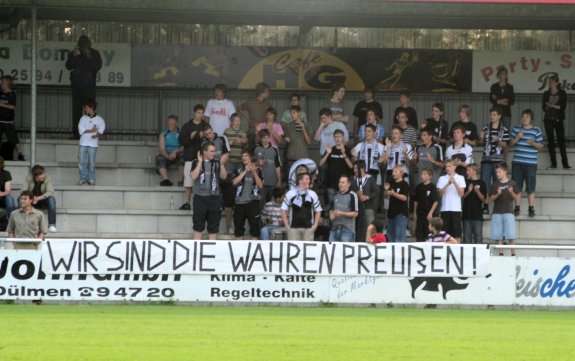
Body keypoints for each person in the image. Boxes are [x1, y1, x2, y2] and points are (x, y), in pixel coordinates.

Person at [65, 35, 102, 138]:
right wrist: (73, 56)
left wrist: (89, 56)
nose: (83, 48)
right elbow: (68, 66)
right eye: (81, 46)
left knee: (89, 110)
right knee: (76, 110)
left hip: (89, 87)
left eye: (84, 46)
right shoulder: (76, 53)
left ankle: (91, 132)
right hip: (77, 86)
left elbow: (97, 67)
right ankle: (76, 133)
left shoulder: (94, 53)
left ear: (89, 45)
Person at [510, 109, 544, 217]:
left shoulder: (536, 130)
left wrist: (533, 143)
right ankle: (517, 207)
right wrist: (517, 138)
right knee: (517, 186)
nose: (524, 119)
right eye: (523, 116)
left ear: (531, 119)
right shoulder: (516, 129)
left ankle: (531, 208)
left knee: (530, 186)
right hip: (517, 162)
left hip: (531, 163)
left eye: (527, 117)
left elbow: (541, 146)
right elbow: (510, 143)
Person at [190, 142, 228, 240]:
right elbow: (193, 176)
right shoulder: (195, 162)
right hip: (200, 198)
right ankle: (197, 252)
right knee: (198, 227)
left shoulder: (216, 162)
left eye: (214, 151)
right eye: (211, 151)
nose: (214, 153)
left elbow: (223, 176)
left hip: (214, 198)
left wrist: (222, 164)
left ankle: (212, 251)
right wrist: (199, 163)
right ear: (204, 152)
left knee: (213, 228)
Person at [201, 124, 232, 233]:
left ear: (212, 130)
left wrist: (220, 163)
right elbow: (204, 158)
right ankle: (214, 228)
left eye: (209, 133)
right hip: (212, 175)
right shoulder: (204, 143)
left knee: (228, 203)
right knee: (215, 202)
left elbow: (227, 154)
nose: (208, 136)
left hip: (225, 172)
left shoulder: (223, 138)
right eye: (206, 134)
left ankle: (229, 227)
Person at [479, 107, 509, 214]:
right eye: (491, 114)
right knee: (485, 184)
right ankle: (485, 205)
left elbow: (505, 145)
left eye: (494, 114)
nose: (492, 117)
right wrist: (481, 137)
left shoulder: (504, 129)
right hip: (486, 160)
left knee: (498, 184)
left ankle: (499, 206)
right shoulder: (486, 128)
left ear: (499, 116)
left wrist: (498, 141)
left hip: (498, 161)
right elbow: (482, 143)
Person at [178, 104, 206, 210]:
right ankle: (187, 203)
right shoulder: (187, 126)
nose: (200, 115)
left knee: (201, 181)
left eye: (202, 113)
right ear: (194, 113)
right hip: (189, 156)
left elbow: (210, 137)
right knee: (188, 182)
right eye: (199, 113)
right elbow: (181, 140)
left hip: (202, 157)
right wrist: (191, 136)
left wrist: (204, 135)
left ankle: (199, 204)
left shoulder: (205, 125)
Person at [232, 149, 264, 240]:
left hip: (253, 202)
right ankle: (239, 252)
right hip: (239, 203)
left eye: (246, 156)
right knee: (238, 230)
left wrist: (254, 172)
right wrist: (245, 171)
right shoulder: (238, 168)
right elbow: (234, 182)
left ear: (250, 158)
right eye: (242, 156)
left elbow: (260, 186)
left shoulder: (257, 169)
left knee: (255, 230)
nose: (243, 158)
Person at [281, 172, 323, 241]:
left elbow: (318, 210)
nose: (309, 181)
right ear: (300, 180)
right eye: (307, 179)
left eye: (309, 179)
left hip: (308, 229)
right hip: (293, 229)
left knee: (308, 251)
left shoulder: (313, 194)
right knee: (293, 251)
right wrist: (287, 226)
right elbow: (283, 209)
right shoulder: (290, 193)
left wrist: (315, 226)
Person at [490, 162, 520, 256]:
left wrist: (512, 193)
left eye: (499, 172)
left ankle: (513, 254)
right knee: (499, 236)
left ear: (505, 172)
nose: (497, 174)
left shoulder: (512, 183)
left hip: (508, 211)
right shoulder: (495, 184)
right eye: (496, 172)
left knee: (511, 235)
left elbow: (517, 198)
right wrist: (498, 194)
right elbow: (491, 199)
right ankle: (501, 254)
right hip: (497, 212)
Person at [542, 74, 570, 169]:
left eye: (552, 82)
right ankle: (553, 164)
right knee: (551, 141)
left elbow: (562, 107)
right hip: (548, 119)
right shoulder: (546, 93)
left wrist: (551, 106)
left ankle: (565, 163)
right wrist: (551, 106)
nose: (550, 83)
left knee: (561, 140)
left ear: (557, 83)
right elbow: (544, 107)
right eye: (550, 82)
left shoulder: (562, 93)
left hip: (558, 119)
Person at [319, 129, 353, 207]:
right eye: (336, 137)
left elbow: (351, 166)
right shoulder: (331, 149)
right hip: (331, 183)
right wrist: (327, 154)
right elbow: (320, 164)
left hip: (344, 184)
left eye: (339, 136)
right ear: (334, 138)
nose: (338, 138)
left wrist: (344, 153)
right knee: (333, 206)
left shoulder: (347, 150)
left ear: (343, 137)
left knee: (344, 206)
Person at [77, 98, 105, 186]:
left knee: (91, 162)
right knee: (82, 161)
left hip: (93, 144)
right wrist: (92, 130)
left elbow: (101, 131)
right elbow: (81, 130)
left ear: (91, 108)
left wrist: (96, 135)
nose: (85, 109)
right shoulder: (83, 118)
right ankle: (83, 178)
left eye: (86, 107)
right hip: (83, 143)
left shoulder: (100, 119)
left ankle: (91, 178)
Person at [437, 159, 466, 243]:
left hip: (456, 209)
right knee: (445, 234)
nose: (447, 168)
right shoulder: (442, 178)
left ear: (455, 167)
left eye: (449, 166)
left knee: (457, 233)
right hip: (445, 209)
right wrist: (447, 184)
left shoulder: (460, 178)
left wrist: (455, 183)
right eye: (446, 166)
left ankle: (457, 252)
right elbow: (439, 193)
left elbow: (461, 193)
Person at [254, 129, 282, 208]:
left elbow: (277, 165)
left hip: (272, 181)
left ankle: (270, 219)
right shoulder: (256, 148)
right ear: (260, 138)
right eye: (263, 138)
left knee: (271, 203)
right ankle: (261, 220)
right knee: (260, 203)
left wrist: (279, 180)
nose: (266, 140)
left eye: (267, 137)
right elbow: (251, 163)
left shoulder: (274, 149)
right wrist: (257, 163)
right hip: (260, 182)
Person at [24, 164, 57, 232]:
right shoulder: (29, 178)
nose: (43, 176)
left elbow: (50, 191)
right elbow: (23, 190)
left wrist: (38, 198)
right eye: (41, 175)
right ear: (36, 176)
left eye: (43, 174)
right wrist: (32, 198)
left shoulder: (47, 178)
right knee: (21, 199)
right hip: (31, 201)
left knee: (51, 199)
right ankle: (23, 224)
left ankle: (51, 225)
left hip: (42, 200)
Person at [351, 161, 378, 242]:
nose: (355, 170)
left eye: (357, 168)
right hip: (356, 208)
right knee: (356, 227)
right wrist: (356, 194)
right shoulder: (352, 179)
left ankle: (370, 243)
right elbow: (349, 192)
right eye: (354, 168)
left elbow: (376, 191)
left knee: (369, 226)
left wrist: (367, 197)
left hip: (368, 207)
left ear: (363, 168)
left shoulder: (370, 178)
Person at [283, 105, 313, 178]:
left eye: (294, 113)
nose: (292, 115)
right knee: (291, 180)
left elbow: (309, 142)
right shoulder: (288, 125)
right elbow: (283, 136)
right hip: (291, 157)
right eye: (291, 113)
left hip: (303, 157)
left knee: (302, 179)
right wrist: (284, 137)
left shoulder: (307, 125)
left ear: (299, 113)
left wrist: (303, 128)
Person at [239, 82, 271, 146]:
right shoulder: (250, 102)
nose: (269, 94)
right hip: (252, 132)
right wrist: (248, 120)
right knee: (252, 151)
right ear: (262, 92)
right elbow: (240, 108)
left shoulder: (268, 104)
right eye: (267, 92)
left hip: (264, 134)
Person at [0, 75, 24, 160]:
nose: (1, 84)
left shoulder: (12, 94)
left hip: (8, 121)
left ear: (6, 84)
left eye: (2, 82)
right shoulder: (1, 93)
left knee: (13, 138)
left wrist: (2, 105)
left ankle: (20, 154)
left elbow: (13, 107)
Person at [329, 175, 359, 242]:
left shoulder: (352, 195)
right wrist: (331, 215)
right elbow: (331, 209)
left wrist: (341, 213)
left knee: (345, 252)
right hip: (334, 228)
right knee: (331, 251)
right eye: (339, 182)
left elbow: (355, 213)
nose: (340, 184)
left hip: (347, 229)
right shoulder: (335, 195)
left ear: (348, 184)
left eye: (343, 182)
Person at [384, 165, 410, 242]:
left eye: (395, 171)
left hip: (401, 213)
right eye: (393, 171)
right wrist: (386, 191)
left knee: (399, 235)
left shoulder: (404, 184)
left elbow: (405, 198)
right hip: (391, 212)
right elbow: (385, 196)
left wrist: (394, 194)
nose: (393, 173)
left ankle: (399, 253)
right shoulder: (391, 183)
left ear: (401, 173)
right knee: (390, 234)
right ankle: (392, 253)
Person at [155, 115, 183, 187]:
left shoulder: (181, 133)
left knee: (183, 158)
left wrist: (175, 152)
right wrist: (168, 156)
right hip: (167, 154)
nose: (169, 125)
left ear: (176, 124)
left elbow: (183, 147)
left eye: (172, 123)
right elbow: (162, 149)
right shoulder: (163, 134)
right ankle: (166, 180)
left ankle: (181, 180)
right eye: (168, 123)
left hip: (178, 153)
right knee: (159, 158)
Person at [413, 168, 439, 242]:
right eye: (422, 174)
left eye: (425, 174)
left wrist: (430, 213)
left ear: (430, 176)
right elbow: (416, 200)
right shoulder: (419, 187)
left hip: (429, 214)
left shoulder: (432, 186)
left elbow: (436, 201)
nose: (422, 176)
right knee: (419, 233)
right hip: (420, 213)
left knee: (428, 233)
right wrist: (415, 212)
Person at [462, 164, 487, 244]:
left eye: (469, 170)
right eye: (467, 170)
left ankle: (479, 256)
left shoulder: (481, 183)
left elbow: (483, 199)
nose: (467, 172)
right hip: (466, 215)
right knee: (466, 238)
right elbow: (462, 197)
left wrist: (477, 191)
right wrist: (469, 191)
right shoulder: (465, 182)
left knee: (478, 238)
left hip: (477, 215)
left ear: (474, 171)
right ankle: (467, 256)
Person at [489, 67, 515, 132]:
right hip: (496, 111)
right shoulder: (494, 86)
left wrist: (498, 100)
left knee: (506, 130)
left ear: (506, 75)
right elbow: (492, 99)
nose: (503, 75)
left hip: (506, 112)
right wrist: (504, 100)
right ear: (498, 75)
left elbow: (511, 100)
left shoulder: (510, 87)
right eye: (501, 74)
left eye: (504, 74)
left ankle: (504, 142)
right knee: (495, 129)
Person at [0, 156, 16, 221]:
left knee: (9, 199)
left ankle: (11, 222)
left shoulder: (6, 174)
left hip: (3, 197)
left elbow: (8, 191)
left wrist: (1, 194)